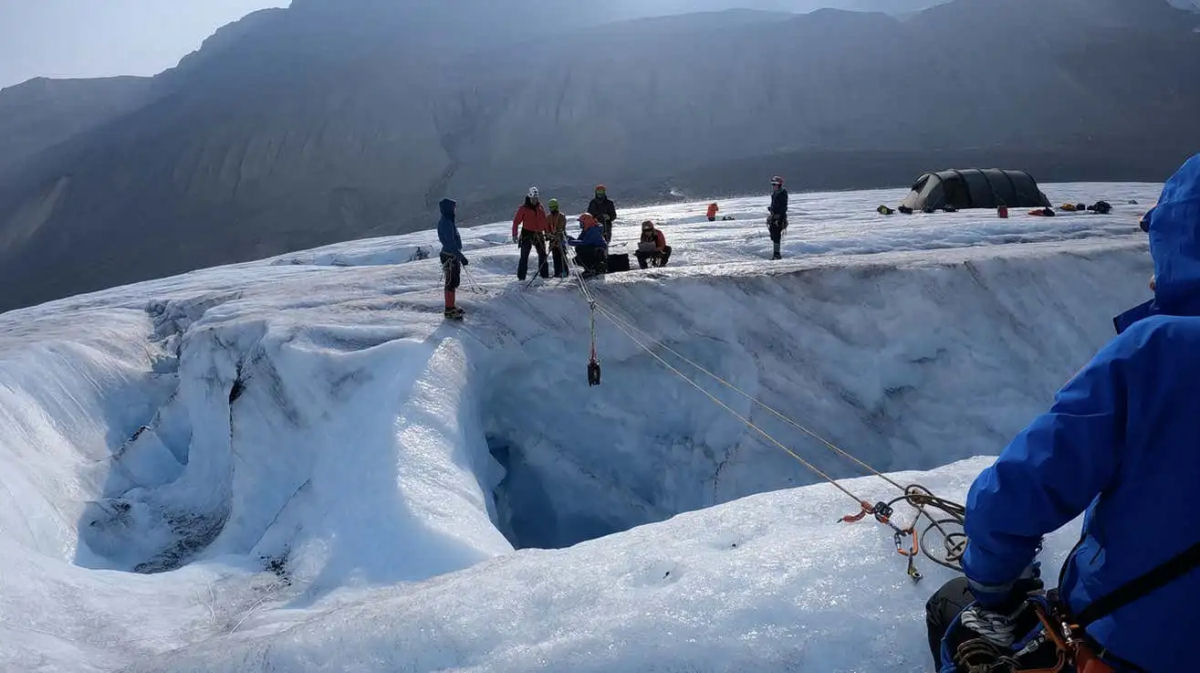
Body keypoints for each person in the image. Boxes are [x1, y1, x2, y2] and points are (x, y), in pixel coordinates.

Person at [926, 153, 1200, 673]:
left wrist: (993, 585)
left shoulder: (1160, 351)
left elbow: (1019, 491)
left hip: (1132, 650)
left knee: (955, 614)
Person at [437, 198, 468, 320]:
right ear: (449, 209)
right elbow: (450, 243)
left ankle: (451, 306)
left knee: (453, 281)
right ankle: (449, 310)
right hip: (450, 256)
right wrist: (461, 257)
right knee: (450, 282)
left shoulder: (447, 221)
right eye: (453, 207)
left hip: (451, 255)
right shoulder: (446, 222)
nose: (455, 209)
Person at [512, 187, 550, 281]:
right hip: (527, 234)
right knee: (524, 256)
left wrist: (547, 232)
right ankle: (521, 277)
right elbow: (516, 221)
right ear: (529, 197)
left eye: (536, 198)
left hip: (538, 233)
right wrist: (514, 234)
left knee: (542, 255)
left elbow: (544, 221)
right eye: (533, 198)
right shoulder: (523, 209)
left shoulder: (540, 207)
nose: (535, 200)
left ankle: (544, 275)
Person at [547, 198, 569, 278]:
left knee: (562, 255)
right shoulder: (548, 217)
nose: (552, 209)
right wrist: (549, 235)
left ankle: (565, 271)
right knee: (555, 256)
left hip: (561, 238)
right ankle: (557, 272)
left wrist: (557, 236)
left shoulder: (561, 216)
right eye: (551, 207)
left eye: (554, 207)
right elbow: (547, 228)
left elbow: (561, 228)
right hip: (552, 239)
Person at [768, 175, 788, 260]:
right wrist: (771, 210)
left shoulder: (782, 193)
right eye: (772, 184)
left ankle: (777, 254)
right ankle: (776, 254)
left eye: (774, 184)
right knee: (773, 235)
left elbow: (783, 207)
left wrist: (778, 216)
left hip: (779, 218)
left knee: (776, 235)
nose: (773, 186)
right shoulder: (775, 193)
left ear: (779, 184)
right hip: (774, 217)